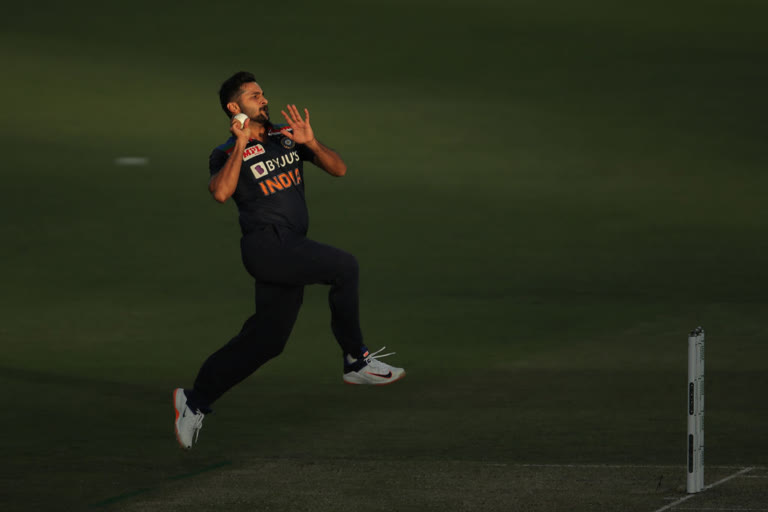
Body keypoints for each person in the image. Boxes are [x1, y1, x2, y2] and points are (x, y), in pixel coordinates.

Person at [172, 71, 405, 449]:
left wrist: (312, 143)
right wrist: (241, 143)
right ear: (235, 107)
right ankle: (356, 360)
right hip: (266, 246)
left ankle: (194, 400)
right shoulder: (225, 150)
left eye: (263, 94)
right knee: (345, 267)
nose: (264, 100)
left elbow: (338, 169)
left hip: (290, 245)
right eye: (254, 96)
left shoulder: (286, 137)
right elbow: (220, 193)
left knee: (267, 341)